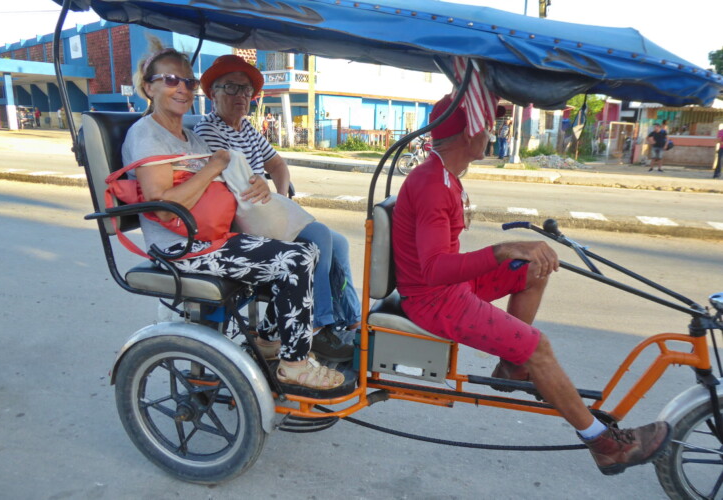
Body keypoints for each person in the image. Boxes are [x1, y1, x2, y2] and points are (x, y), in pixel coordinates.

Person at [391, 94, 670, 475]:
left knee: (532, 267)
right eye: (487, 125)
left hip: (446, 289)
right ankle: (603, 444)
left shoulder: (445, 176)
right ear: (468, 133)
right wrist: (503, 248)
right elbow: (436, 269)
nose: (493, 132)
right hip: (433, 299)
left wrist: (515, 253)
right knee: (538, 348)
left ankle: (509, 366)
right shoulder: (433, 184)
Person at [121, 40, 345, 392]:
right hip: (181, 248)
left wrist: (255, 184)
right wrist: (214, 166)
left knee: (308, 249)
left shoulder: (189, 137)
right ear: (148, 87)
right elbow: (163, 206)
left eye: (187, 82)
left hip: (210, 237)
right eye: (170, 80)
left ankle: (272, 340)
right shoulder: (148, 135)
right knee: (295, 257)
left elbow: (225, 184)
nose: (181, 88)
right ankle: (295, 364)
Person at [194, 55, 360, 362]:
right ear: (212, 94)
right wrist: (266, 194)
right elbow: (231, 183)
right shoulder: (208, 131)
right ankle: (318, 325)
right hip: (241, 218)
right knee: (320, 236)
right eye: (231, 88)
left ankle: (349, 320)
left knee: (339, 242)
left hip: (265, 210)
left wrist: (281, 196)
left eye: (245, 90)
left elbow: (278, 164)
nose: (240, 96)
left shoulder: (248, 130)